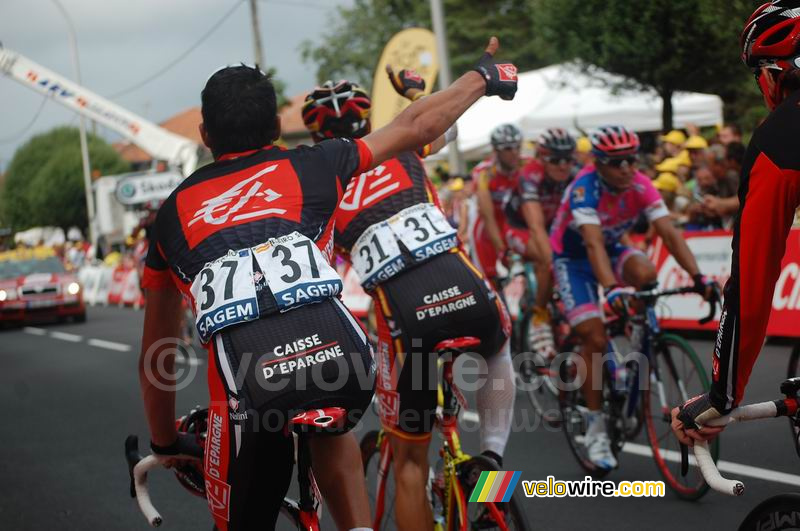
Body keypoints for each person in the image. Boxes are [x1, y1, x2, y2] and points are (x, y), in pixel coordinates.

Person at [138, 37, 518, 531]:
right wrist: (482, 77)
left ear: (205, 134)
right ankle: (491, 472)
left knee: (405, 466)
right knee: (335, 411)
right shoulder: (322, 166)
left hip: (273, 380)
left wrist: (165, 441)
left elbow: (158, 349)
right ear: (277, 127)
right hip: (370, 344)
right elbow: (418, 126)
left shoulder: (171, 214)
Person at [302, 66, 514, 531]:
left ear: (317, 137)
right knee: (498, 350)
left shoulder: (316, 190)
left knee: (410, 466)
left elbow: (319, 280)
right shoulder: (405, 146)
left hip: (407, 324)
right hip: (469, 291)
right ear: (367, 122)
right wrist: (417, 92)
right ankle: (494, 463)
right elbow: (447, 124)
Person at [549, 125, 715, 469]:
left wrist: (698, 277)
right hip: (573, 261)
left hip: (611, 250)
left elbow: (669, 231)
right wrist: (611, 291)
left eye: (631, 160)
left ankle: (637, 340)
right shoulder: (584, 188)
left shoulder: (640, 183)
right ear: (598, 163)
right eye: (616, 162)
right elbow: (591, 244)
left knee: (645, 273)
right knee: (593, 337)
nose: (626, 168)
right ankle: (595, 428)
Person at [673, 0, 800, 445]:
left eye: (758, 74)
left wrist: (720, 397)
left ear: (775, 71)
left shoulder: (780, 136)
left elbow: (752, 282)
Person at [505, 128, 578, 356]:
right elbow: (536, 226)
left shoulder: (574, 175)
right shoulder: (529, 175)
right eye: (555, 159)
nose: (563, 165)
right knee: (546, 259)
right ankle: (539, 316)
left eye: (568, 159)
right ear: (541, 158)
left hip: (551, 227)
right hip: (520, 227)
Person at [472, 123, 531, 285]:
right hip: (489, 230)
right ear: (496, 151)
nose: (514, 153)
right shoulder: (484, 172)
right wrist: (501, 248)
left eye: (517, 147)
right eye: (507, 149)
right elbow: (487, 216)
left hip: (517, 227)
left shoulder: (528, 165)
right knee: (490, 284)